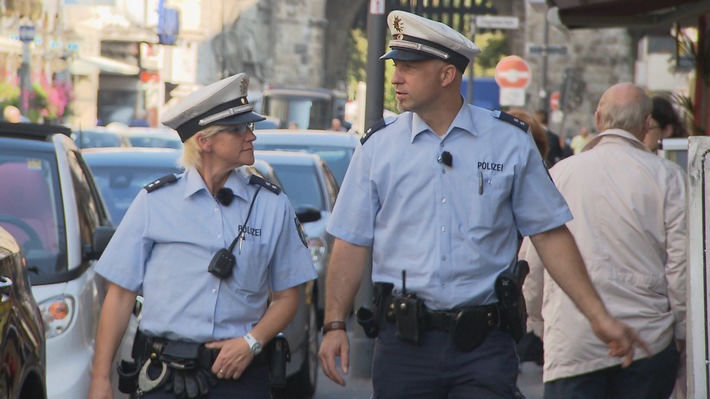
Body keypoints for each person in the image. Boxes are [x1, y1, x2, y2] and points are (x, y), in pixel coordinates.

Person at [318, 10, 649, 399]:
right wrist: (334, 324)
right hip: (403, 346)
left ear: (446, 75)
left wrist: (599, 318)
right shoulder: (378, 147)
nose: (395, 78)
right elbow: (351, 241)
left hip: (483, 345)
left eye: (408, 67)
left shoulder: (507, 141)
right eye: (395, 68)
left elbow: (549, 234)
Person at [88, 73, 316, 399]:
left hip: (241, 376)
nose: (251, 135)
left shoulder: (271, 204)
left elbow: (288, 297)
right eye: (238, 129)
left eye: (249, 126)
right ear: (204, 141)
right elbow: (120, 295)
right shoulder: (155, 202)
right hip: (164, 377)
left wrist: (251, 343)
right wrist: (100, 379)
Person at [521, 82, 687, 399]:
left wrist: (535, 320)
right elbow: (679, 266)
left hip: (573, 337)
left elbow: (535, 256)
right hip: (647, 338)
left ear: (598, 119)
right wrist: (682, 331)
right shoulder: (669, 178)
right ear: (644, 124)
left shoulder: (560, 173)